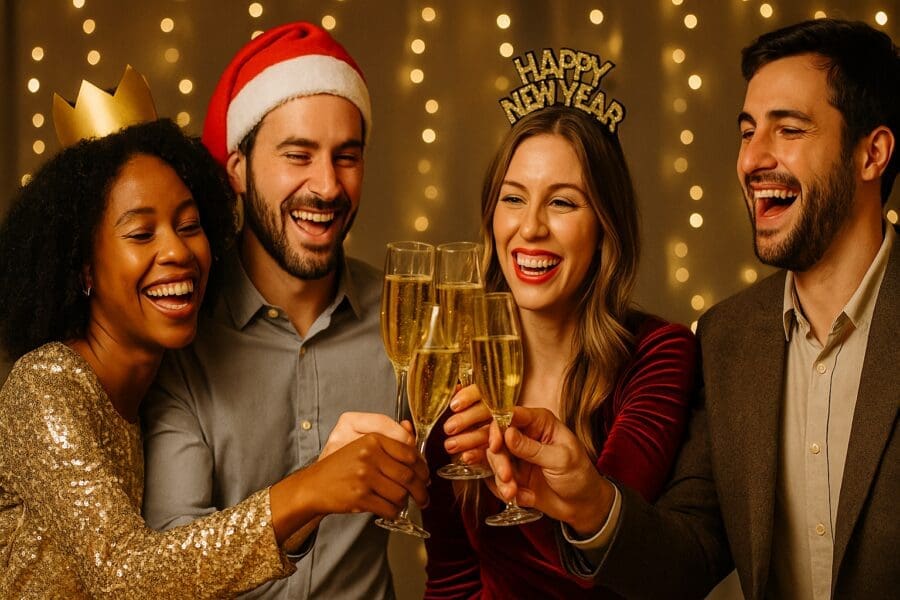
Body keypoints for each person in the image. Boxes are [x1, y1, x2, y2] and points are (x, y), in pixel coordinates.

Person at [488, 19, 900, 600]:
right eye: (747, 131)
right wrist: (592, 503)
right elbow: (688, 559)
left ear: (872, 153)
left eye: (789, 130)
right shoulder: (727, 338)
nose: (753, 158)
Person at [0, 82, 426, 596]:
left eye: (189, 225)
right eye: (141, 234)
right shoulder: (46, 386)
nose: (177, 252)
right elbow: (127, 577)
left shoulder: (151, 380)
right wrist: (311, 488)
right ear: (83, 266)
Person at [140, 22, 417, 599]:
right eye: (298, 155)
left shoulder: (406, 319)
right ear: (236, 168)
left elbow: (459, 512)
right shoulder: (181, 329)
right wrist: (314, 490)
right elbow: (168, 565)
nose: (327, 186)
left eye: (347, 157)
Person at [420, 101, 698, 598]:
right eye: (513, 199)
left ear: (605, 227)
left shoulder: (656, 356)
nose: (530, 228)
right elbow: (452, 581)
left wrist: (506, 477)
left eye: (563, 203)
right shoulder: (457, 372)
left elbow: (607, 572)